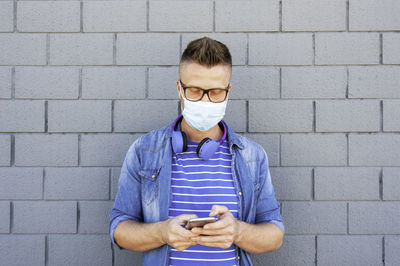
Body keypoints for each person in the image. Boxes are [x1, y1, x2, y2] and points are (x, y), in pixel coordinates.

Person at [109, 36, 284, 266]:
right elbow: (119, 229)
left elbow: (275, 234)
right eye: (194, 90)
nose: (205, 100)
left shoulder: (253, 156)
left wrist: (237, 232)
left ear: (228, 91)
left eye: (215, 92)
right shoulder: (144, 151)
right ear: (179, 89)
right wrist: (162, 232)